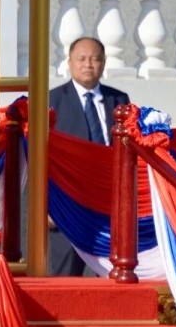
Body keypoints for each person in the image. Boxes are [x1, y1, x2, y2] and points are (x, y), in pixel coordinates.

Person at [47, 36, 131, 276]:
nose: (88, 65)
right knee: (65, 278)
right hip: (67, 205)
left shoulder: (119, 100)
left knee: (110, 276)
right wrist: (46, 206)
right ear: (69, 62)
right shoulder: (52, 100)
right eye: (81, 59)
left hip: (107, 205)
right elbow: (39, 157)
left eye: (95, 59)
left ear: (103, 62)